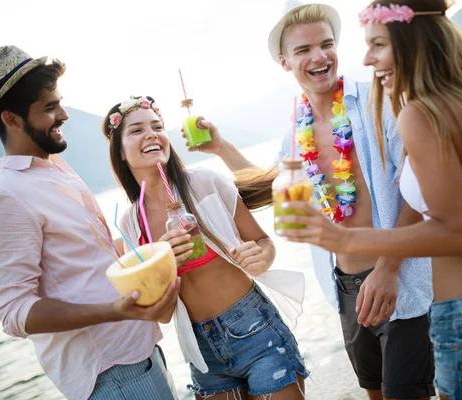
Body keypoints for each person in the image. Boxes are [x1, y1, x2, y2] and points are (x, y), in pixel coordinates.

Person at [277, 1, 462, 398]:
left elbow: (456, 233)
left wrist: (344, 240)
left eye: (377, 44)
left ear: (409, 41)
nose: (367, 59)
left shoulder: (418, 116)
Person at [183, 3, 435, 400]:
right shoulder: (295, 134)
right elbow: (270, 188)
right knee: (374, 392)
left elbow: (420, 184)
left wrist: (388, 268)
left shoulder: (378, 102)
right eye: (303, 50)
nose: (319, 56)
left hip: (397, 275)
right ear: (285, 62)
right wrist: (220, 147)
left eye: (326, 44)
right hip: (346, 288)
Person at [0, 46, 180, 400]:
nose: (64, 114)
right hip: (112, 375)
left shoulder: (53, 169)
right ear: (11, 119)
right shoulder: (5, 197)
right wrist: (114, 311)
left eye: (59, 102)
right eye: (49, 108)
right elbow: (14, 312)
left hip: (137, 351)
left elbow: (88, 262)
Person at [102, 96, 308, 400]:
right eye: (136, 130)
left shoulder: (206, 183)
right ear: (119, 151)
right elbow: (162, 313)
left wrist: (260, 258)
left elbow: (263, 242)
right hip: (201, 349)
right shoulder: (132, 224)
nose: (151, 134)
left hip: (255, 328)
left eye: (157, 126)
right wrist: (161, 261)